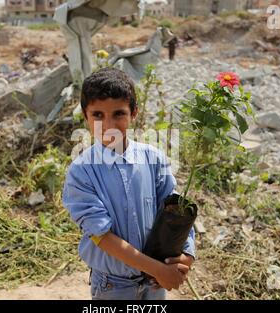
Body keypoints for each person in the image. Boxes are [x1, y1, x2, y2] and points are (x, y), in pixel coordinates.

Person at [62, 68, 196, 300]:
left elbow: (176, 213)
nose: (108, 124)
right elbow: (102, 237)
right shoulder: (82, 172)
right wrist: (158, 269)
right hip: (113, 285)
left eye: (118, 114)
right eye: (98, 115)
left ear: (134, 113)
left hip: (155, 283)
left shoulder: (153, 160)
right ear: (85, 116)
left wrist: (186, 257)